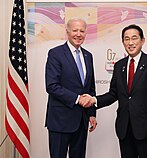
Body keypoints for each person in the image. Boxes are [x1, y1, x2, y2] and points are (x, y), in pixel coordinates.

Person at [82, 24, 147, 158]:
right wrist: (94, 100)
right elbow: (113, 94)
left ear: (142, 40)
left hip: (146, 128)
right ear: (123, 42)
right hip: (124, 127)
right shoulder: (119, 66)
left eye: (134, 38)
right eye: (126, 39)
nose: (130, 42)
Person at [45, 18, 97, 158]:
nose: (78, 34)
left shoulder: (88, 56)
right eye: (75, 30)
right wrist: (77, 99)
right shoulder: (55, 53)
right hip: (60, 121)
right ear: (67, 32)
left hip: (81, 120)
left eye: (82, 31)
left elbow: (90, 87)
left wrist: (92, 113)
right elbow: (52, 86)